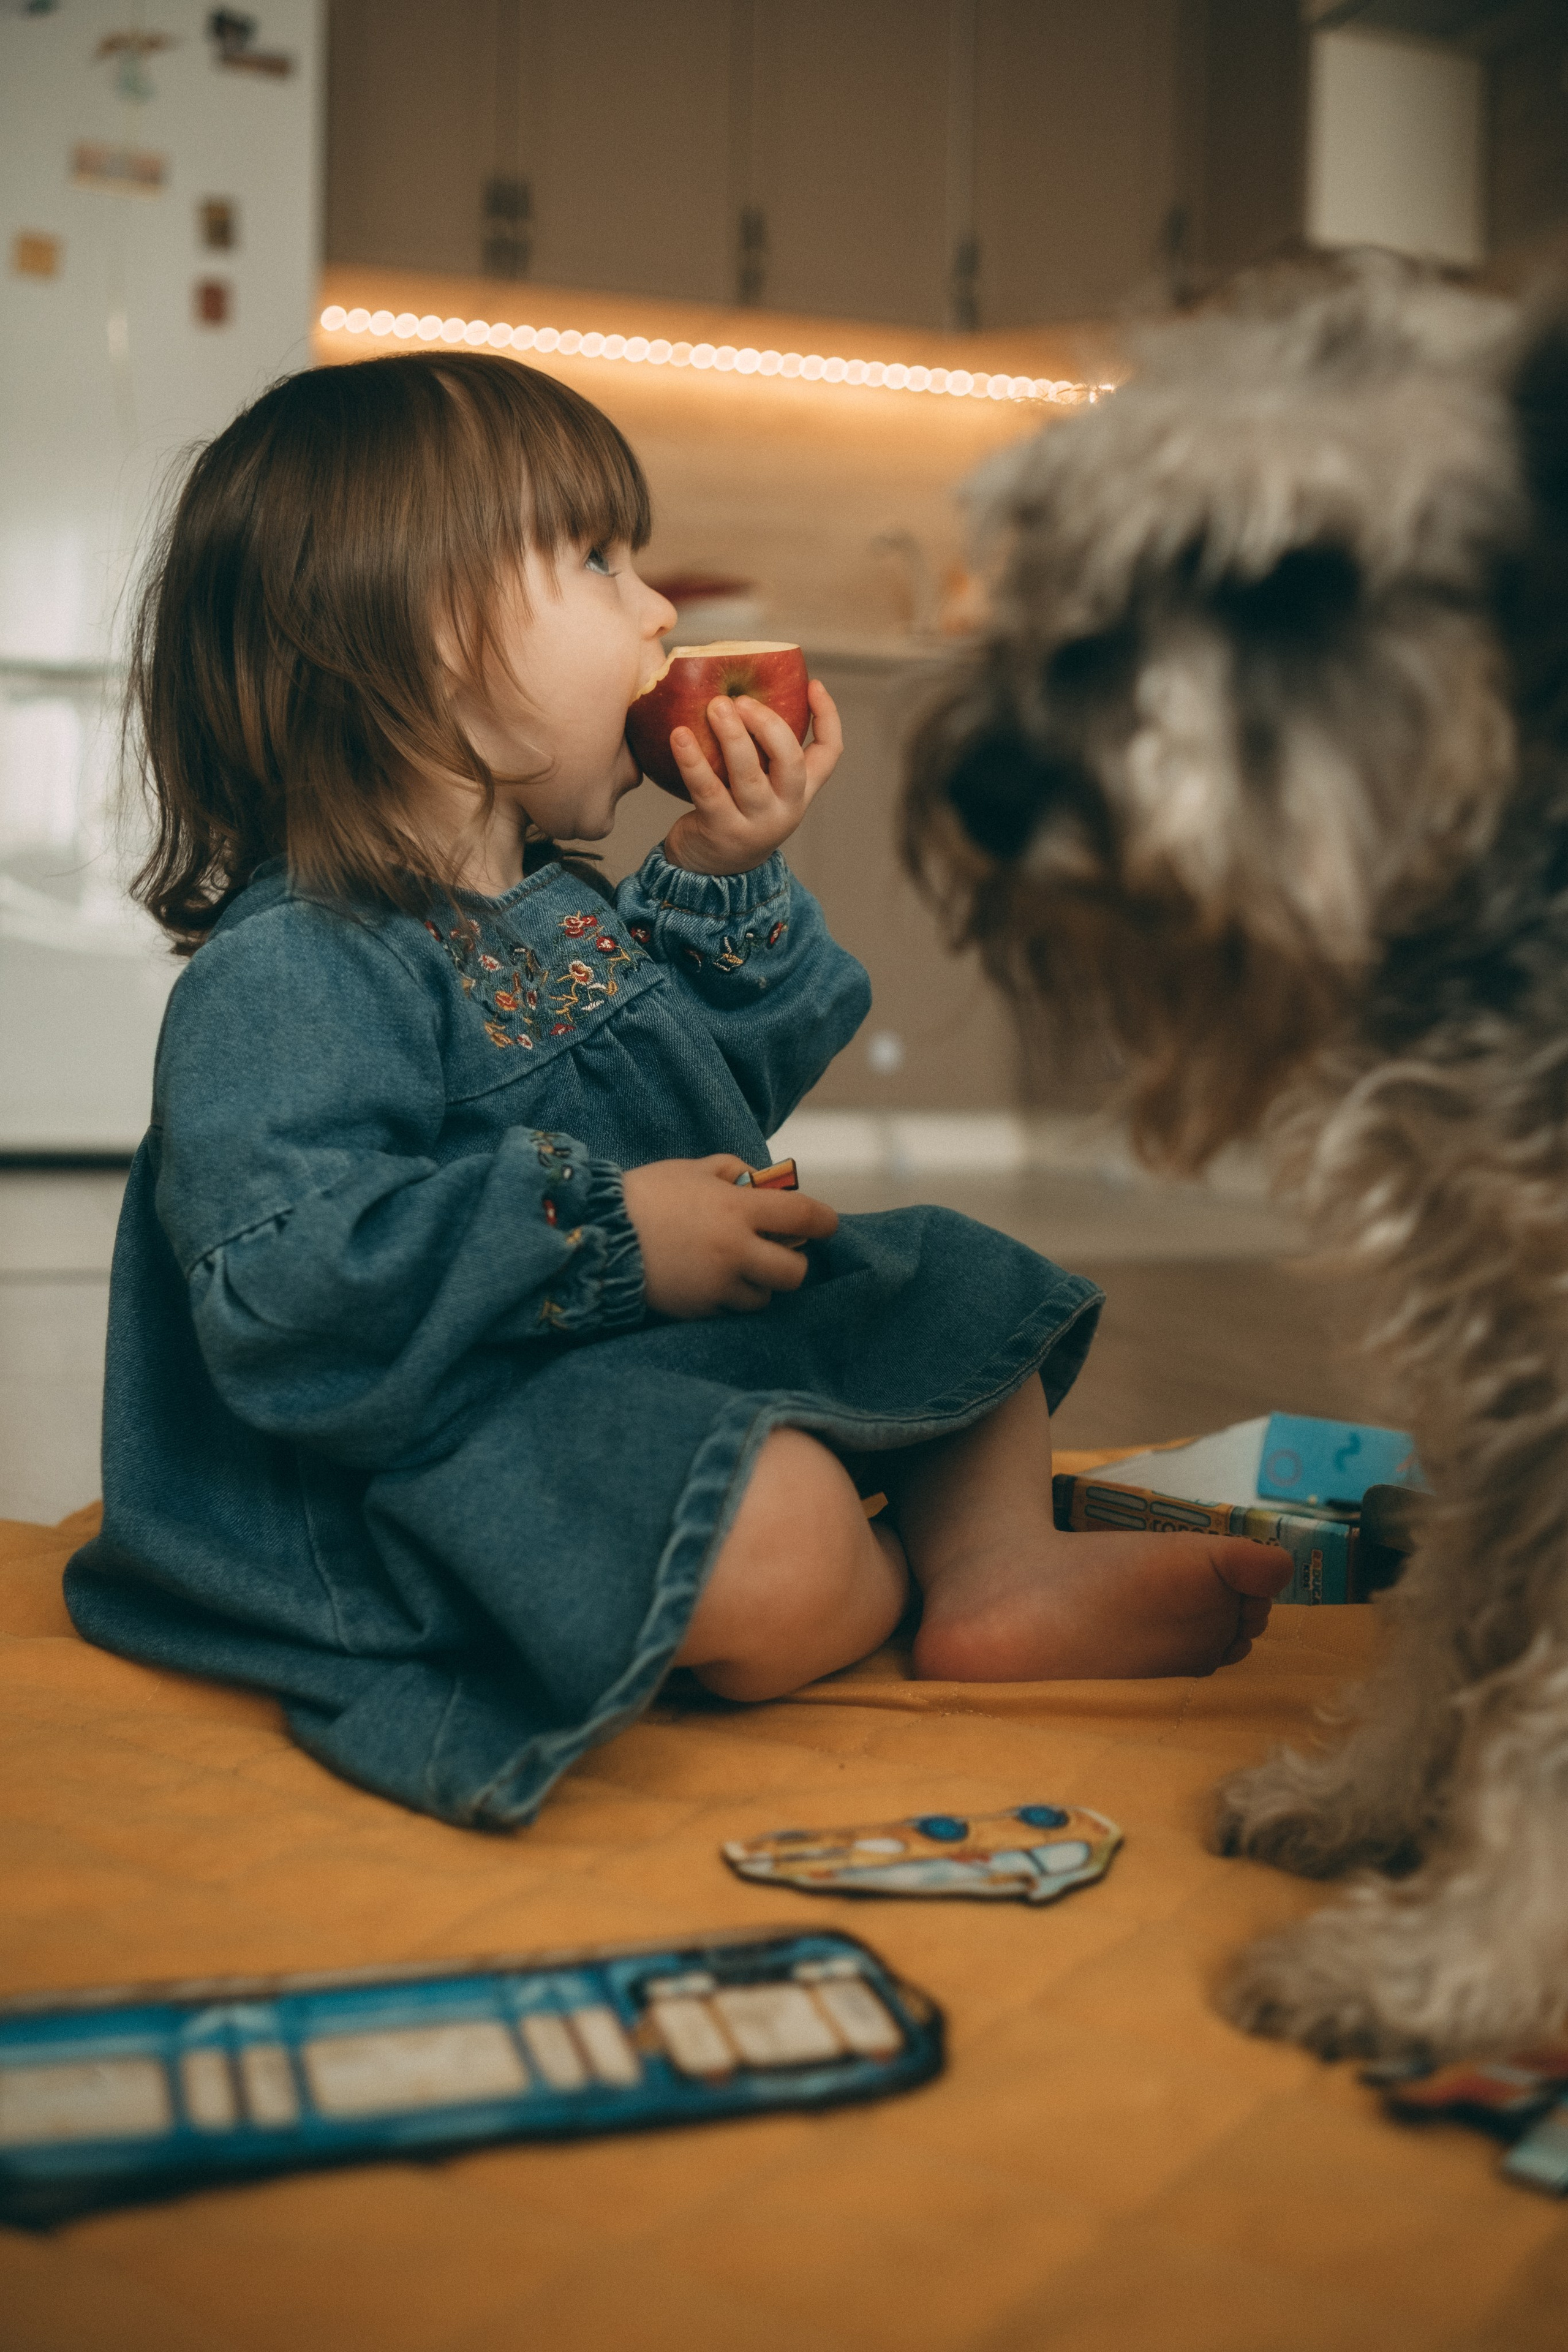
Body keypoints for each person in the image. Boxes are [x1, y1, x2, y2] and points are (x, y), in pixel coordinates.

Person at [64, 354, 1289, 1828]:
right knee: (774, 1533)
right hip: (403, 1480)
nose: (656, 611)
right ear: (419, 637)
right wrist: (606, 1236)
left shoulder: (555, 910)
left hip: (610, 1388)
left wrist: (716, 872)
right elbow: (287, 1296)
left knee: (946, 1282)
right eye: (596, 560)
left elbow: (704, 1102)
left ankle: (996, 1573)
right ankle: (871, 1570)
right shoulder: (294, 969)